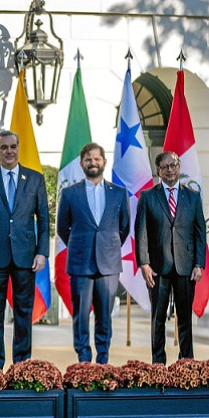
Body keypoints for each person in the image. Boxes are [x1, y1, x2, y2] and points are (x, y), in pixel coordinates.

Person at [0, 130, 50, 368]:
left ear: (18, 148)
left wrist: (42, 252)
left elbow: (44, 219)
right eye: (4, 147)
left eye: (13, 146)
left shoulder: (35, 179)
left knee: (23, 314)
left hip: (26, 256)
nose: (9, 151)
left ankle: (22, 366)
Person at [56, 142, 130, 364]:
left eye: (97, 159)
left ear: (104, 162)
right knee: (80, 315)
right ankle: (84, 360)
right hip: (80, 264)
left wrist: (107, 246)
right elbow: (62, 228)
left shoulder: (119, 193)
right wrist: (81, 246)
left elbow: (124, 226)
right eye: (88, 159)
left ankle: (103, 360)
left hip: (108, 264)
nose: (93, 163)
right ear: (81, 164)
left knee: (104, 316)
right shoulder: (70, 193)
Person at [135, 151, 206, 364]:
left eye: (173, 165)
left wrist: (199, 263)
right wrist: (144, 263)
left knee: (185, 318)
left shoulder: (193, 197)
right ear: (158, 171)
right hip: (158, 267)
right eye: (165, 166)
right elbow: (141, 233)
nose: (170, 169)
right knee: (158, 319)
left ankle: (187, 363)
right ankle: (158, 364)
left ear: (179, 167)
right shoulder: (148, 197)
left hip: (186, 266)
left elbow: (200, 233)